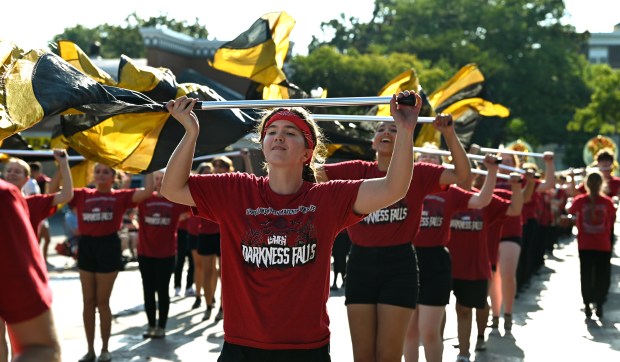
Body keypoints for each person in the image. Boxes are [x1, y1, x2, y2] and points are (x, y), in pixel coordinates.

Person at [161, 92, 420, 361]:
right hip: (241, 346)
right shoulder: (236, 190)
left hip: (305, 349)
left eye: (290, 132)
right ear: (263, 146)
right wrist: (190, 132)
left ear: (308, 153)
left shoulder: (327, 198)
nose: (279, 136)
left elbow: (394, 188)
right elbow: (172, 188)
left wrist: (405, 129)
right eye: (271, 131)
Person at [318, 115, 471, 362]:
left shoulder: (419, 173)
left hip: (400, 265)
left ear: (407, 139)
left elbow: (462, 175)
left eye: (395, 128)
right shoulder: (358, 170)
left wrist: (450, 133)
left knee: (388, 355)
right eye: (381, 129)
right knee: (363, 356)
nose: (387, 132)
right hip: (359, 263)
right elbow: (311, 175)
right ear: (373, 142)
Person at [404, 154, 503, 362]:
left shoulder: (449, 192)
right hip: (407, 258)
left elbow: (481, 200)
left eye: (433, 158)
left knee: (429, 331)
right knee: (409, 331)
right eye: (423, 157)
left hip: (436, 260)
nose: (428, 161)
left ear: (441, 167)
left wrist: (492, 171)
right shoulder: (403, 186)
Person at [68, 164, 154, 362]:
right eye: (97, 171)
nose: (100, 174)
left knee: (102, 301)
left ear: (113, 177)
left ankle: (105, 350)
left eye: (105, 171)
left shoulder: (119, 196)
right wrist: (63, 164)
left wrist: (150, 164)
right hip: (87, 247)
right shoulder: (82, 194)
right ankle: (90, 350)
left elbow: (148, 191)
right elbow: (55, 192)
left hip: (108, 247)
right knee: (88, 301)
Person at [447, 165, 524, 362]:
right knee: (439, 310)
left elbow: (515, 209)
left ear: (474, 176)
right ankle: (452, 348)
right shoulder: (444, 196)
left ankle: (478, 339)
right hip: (445, 263)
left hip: (476, 264)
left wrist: (516, 186)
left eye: (467, 172)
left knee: (474, 305)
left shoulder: (484, 199)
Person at [0, 178, 61, 362]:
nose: (11, 173)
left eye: (17, 171)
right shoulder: (4, 198)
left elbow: (64, 194)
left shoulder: (30, 200)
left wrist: (63, 165)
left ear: (27, 179)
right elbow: (42, 349)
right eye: (9, 169)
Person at [137, 170, 189, 338]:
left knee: (162, 290)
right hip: (145, 253)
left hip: (166, 254)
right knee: (148, 290)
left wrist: (179, 218)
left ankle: (161, 327)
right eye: (156, 179)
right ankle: (151, 325)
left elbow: (192, 207)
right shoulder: (144, 199)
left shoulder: (174, 200)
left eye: (162, 179)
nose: (159, 182)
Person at [567, 170, 615, 319]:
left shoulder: (580, 200)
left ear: (586, 184)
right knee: (602, 275)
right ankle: (599, 303)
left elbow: (570, 210)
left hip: (585, 244)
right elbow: (612, 219)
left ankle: (587, 303)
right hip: (603, 244)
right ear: (602, 184)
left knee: (586, 274)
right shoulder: (608, 202)